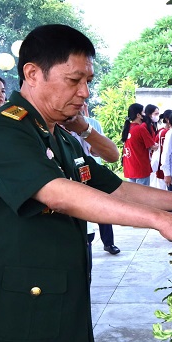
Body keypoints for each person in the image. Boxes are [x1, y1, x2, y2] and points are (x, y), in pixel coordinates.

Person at [0, 24, 172, 342]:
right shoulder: (3, 131)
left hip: (59, 311)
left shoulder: (60, 137)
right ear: (33, 73)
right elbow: (57, 193)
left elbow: (117, 189)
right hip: (13, 319)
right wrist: (161, 220)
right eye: (73, 80)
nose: (84, 92)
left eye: (88, 82)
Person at [65, 102, 121, 256]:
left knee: (103, 207)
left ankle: (108, 243)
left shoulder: (92, 124)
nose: (80, 106)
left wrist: (85, 130)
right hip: (70, 177)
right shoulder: (57, 125)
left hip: (91, 170)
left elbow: (104, 152)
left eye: (83, 105)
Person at [121, 103, 158, 186]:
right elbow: (153, 146)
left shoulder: (128, 128)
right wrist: (159, 145)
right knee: (143, 196)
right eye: (143, 112)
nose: (145, 115)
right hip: (141, 167)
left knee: (133, 196)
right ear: (138, 115)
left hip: (130, 167)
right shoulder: (140, 129)